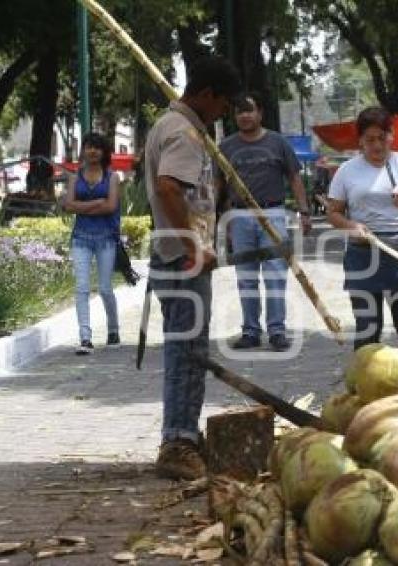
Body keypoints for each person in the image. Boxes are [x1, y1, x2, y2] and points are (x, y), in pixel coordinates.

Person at [145, 56, 241, 480]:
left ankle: (183, 433)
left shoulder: (178, 126)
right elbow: (168, 188)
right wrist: (194, 245)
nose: (224, 113)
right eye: (223, 104)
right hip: (182, 262)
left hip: (179, 258)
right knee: (188, 353)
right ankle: (179, 442)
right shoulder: (182, 132)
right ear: (206, 95)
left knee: (188, 349)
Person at [327, 106, 398, 352]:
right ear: (360, 141)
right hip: (363, 255)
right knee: (368, 326)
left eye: (382, 137)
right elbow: (333, 212)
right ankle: (363, 384)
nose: (377, 145)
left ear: (391, 135)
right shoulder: (347, 170)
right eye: (369, 140)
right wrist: (351, 226)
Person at [218, 92, 312, 352]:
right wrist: (222, 221)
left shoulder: (278, 143)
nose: (245, 116)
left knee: (275, 275)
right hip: (239, 217)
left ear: (260, 113)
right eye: (239, 111)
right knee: (246, 277)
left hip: (273, 214)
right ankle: (250, 331)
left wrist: (304, 212)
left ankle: (277, 331)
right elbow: (219, 187)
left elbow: (294, 178)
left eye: (249, 110)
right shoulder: (226, 147)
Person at [63, 132, 121, 355]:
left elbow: (111, 206)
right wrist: (97, 201)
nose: (93, 151)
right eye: (89, 147)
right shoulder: (74, 177)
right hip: (81, 238)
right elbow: (68, 206)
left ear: (104, 151)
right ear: (83, 150)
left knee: (106, 289)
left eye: (97, 147)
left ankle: (113, 330)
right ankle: (85, 338)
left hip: (106, 239)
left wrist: (82, 206)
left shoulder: (112, 177)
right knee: (81, 288)